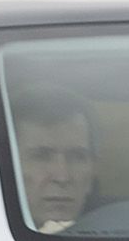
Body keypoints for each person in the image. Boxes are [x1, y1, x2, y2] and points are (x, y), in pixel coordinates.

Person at [13, 88, 97, 232]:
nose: (62, 177)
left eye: (77, 157)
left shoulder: (124, 239)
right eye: (41, 156)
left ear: (93, 172)